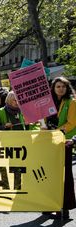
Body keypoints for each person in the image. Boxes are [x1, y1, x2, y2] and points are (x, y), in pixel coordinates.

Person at [44, 77, 76, 219]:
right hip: (48, 143)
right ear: (53, 88)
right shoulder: (47, 102)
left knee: (64, 176)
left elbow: (72, 123)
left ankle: (64, 207)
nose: (61, 89)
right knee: (49, 175)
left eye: (63, 86)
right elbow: (43, 121)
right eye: (58, 86)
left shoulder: (72, 102)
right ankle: (49, 205)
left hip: (64, 143)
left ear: (67, 88)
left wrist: (57, 132)